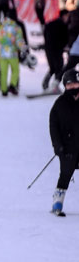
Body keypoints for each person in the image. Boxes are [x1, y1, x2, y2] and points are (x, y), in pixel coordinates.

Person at [49, 69, 79, 215]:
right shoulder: (60, 103)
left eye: (76, 84)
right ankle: (58, 202)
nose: (73, 87)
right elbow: (53, 126)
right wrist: (57, 145)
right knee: (66, 173)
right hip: (67, 147)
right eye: (70, 85)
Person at [0, 10, 28, 96]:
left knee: (3, 72)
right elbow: (18, 41)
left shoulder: (0, 27)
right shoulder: (16, 27)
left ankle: (4, 90)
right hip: (12, 53)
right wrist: (23, 47)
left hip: (2, 53)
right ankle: (12, 85)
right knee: (15, 70)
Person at [43, 11, 70, 91]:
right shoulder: (63, 26)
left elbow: (45, 32)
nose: (68, 18)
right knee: (59, 67)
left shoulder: (50, 23)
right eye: (67, 16)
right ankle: (55, 86)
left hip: (48, 48)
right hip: (57, 49)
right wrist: (65, 45)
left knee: (52, 67)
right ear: (63, 16)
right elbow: (65, 38)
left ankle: (45, 83)